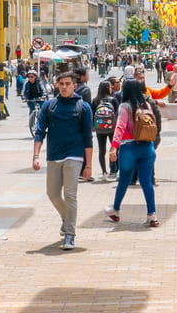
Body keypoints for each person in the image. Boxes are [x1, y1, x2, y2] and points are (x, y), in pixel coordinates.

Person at [32, 71, 94, 250]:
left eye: (68, 84)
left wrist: (88, 165)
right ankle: (66, 218)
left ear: (75, 85)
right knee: (52, 194)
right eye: (62, 84)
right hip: (53, 155)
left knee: (70, 194)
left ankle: (69, 234)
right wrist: (36, 156)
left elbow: (88, 138)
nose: (65, 87)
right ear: (56, 85)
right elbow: (39, 132)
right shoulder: (49, 106)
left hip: (74, 156)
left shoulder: (83, 107)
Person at [107, 78, 159, 226]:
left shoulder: (125, 106)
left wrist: (113, 147)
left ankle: (115, 210)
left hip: (129, 147)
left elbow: (120, 127)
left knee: (123, 180)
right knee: (146, 181)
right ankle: (152, 214)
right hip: (147, 147)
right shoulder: (147, 104)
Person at [92, 80, 119, 178]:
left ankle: (104, 171)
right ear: (108, 88)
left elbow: (92, 114)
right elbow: (117, 113)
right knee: (114, 148)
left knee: (101, 150)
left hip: (100, 129)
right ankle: (114, 170)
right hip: (112, 127)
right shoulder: (113, 99)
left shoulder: (95, 100)